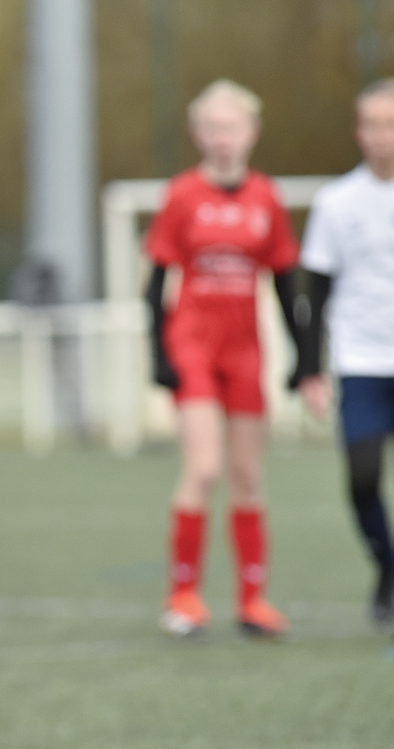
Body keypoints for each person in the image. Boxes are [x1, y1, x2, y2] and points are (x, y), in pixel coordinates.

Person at [144, 80, 304, 638]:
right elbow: (155, 284)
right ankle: (183, 595)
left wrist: (306, 358)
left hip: (246, 353)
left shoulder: (267, 198)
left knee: (247, 475)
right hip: (192, 348)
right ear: (197, 134)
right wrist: (158, 356)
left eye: (231, 126)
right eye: (212, 127)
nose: (222, 137)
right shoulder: (182, 196)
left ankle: (252, 601)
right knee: (204, 467)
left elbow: (285, 281)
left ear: (251, 132)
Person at [294, 79, 394, 627]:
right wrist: (311, 370)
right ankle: (387, 566)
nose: (381, 136)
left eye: (390, 124)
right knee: (362, 479)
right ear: (359, 132)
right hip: (361, 364)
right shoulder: (336, 202)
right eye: (372, 124)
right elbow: (316, 291)